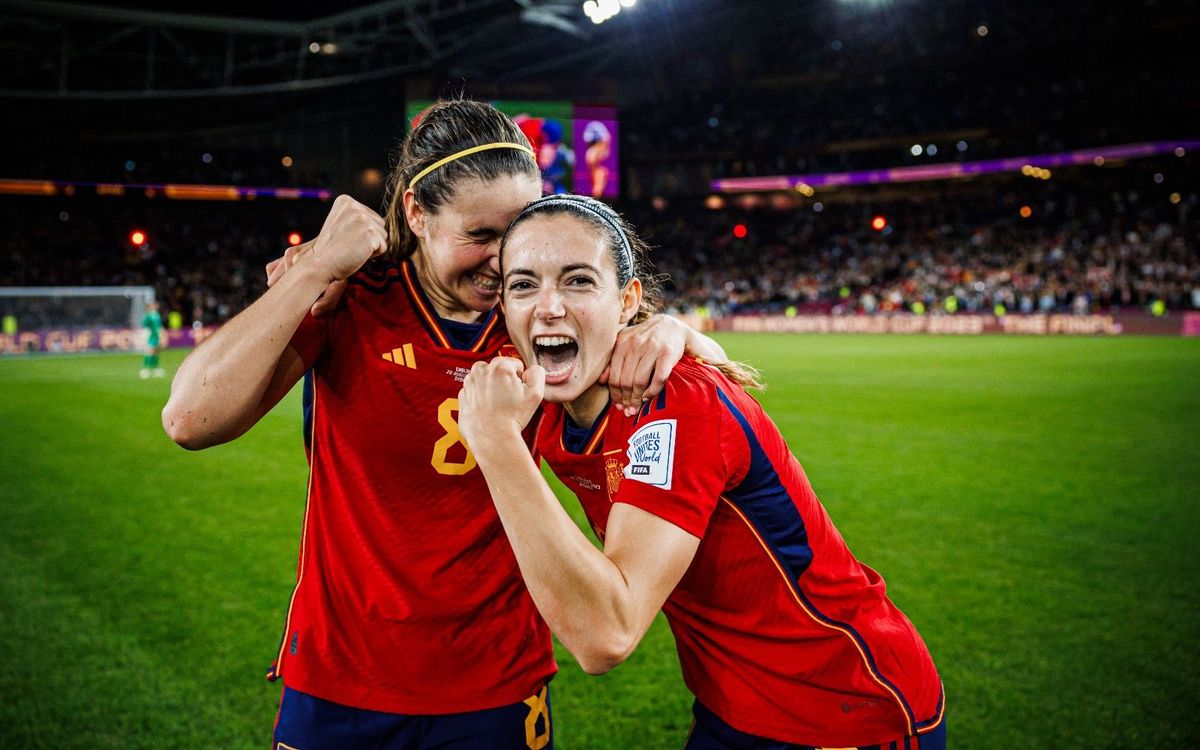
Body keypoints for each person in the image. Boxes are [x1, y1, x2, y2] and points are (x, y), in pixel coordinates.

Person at [162, 100, 726, 750]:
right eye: (481, 235)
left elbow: (671, 356)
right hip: (341, 677)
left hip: (494, 683)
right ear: (416, 213)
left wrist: (672, 330)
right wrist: (315, 267)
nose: (502, 258)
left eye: (518, 232)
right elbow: (189, 419)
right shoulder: (353, 302)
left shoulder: (536, 317)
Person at [458, 195, 946, 750]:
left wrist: (497, 444)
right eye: (523, 285)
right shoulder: (542, 385)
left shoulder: (677, 400)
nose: (547, 306)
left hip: (843, 704)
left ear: (626, 301)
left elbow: (605, 635)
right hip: (733, 704)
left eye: (577, 281)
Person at [140, 300, 166, 379]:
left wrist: (162, 334)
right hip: (151, 336)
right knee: (149, 351)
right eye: (154, 305)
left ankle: (155, 369)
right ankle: (144, 369)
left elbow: (159, 326)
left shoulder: (157, 315)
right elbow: (144, 324)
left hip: (157, 337)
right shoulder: (149, 316)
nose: (156, 306)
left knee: (156, 352)